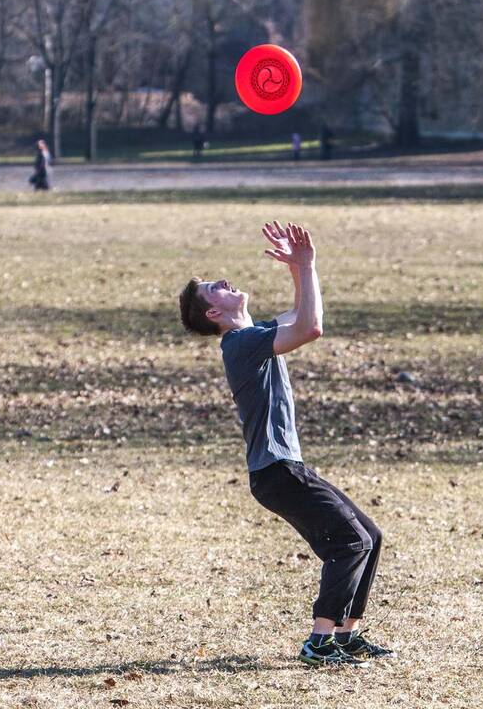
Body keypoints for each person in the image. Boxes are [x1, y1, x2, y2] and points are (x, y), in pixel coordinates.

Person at [178, 221, 393, 668]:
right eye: (211, 289)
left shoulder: (251, 336)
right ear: (213, 313)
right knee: (349, 543)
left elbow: (302, 317)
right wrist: (307, 264)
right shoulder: (240, 343)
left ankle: (346, 636)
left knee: (367, 536)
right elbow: (311, 328)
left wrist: (300, 269)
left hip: (286, 469)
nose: (222, 282)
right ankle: (319, 641)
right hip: (277, 472)